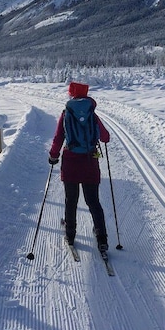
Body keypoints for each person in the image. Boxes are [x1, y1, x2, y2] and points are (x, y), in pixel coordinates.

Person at [48, 81, 111, 251]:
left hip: (70, 161)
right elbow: (105, 137)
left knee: (71, 200)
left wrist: (53, 155)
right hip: (90, 161)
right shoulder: (92, 114)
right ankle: (102, 238)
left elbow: (58, 138)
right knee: (93, 201)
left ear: (72, 94)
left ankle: (70, 234)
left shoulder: (66, 112)